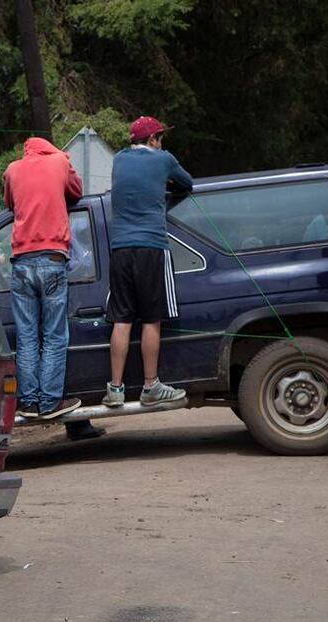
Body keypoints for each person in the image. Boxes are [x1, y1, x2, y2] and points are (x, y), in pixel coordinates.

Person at [103, 116, 193, 408]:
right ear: (153, 139)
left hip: (120, 249)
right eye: (160, 137)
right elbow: (187, 183)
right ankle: (151, 386)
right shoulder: (163, 159)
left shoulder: (119, 159)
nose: (162, 142)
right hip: (151, 246)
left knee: (122, 319)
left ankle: (115, 389)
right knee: (152, 318)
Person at [3, 137, 83, 420]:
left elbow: (10, 203)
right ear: (49, 148)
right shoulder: (60, 162)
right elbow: (76, 191)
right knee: (54, 335)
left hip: (21, 261)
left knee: (26, 336)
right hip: (52, 259)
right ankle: (49, 402)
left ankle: (28, 402)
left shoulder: (12, 170)